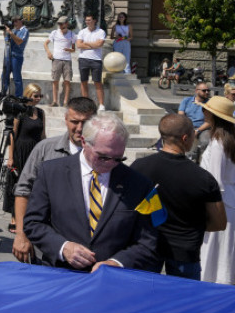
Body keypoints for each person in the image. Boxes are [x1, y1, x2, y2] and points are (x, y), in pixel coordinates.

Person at [23, 114, 158, 272]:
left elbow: (148, 241)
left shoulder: (140, 184)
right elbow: (33, 223)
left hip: (112, 278)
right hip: (61, 273)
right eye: (102, 157)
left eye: (118, 158)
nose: (110, 163)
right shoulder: (51, 172)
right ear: (84, 142)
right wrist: (63, 247)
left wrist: (117, 263)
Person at [130, 114, 225, 280]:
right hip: (185, 252)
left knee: (145, 295)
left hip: (146, 246)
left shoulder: (138, 167)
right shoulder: (203, 178)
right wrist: (193, 226)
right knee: (185, 297)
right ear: (185, 138)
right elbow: (219, 223)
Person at [11, 96, 97, 263]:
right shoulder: (45, 149)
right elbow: (23, 191)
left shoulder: (104, 154)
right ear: (65, 119)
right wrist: (21, 234)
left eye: (86, 122)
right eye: (74, 122)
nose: (80, 128)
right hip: (48, 248)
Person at [199, 96, 235, 284]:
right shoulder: (228, 140)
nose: (203, 112)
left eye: (205, 110)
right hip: (229, 200)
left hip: (220, 203)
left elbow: (215, 180)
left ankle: (214, 284)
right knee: (224, 249)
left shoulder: (218, 143)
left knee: (215, 248)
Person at [4, 83, 46, 233]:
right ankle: (14, 218)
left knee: (32, 185)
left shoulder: (40, 113)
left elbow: (43, 135)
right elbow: (12, 135)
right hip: (21, 151)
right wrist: (10, 157)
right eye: (36, 96)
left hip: (35, 151)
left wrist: (45, 152)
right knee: (17, 184)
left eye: (40, 96)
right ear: (28, 95)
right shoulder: (20, 112)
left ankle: (27, 215)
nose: (38, 98)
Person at [76, 14, 106, 111]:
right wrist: (93, 45)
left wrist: (86, 43)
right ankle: (85, 103)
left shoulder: (101, 32)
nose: (87, 22)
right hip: (83, 59)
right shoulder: (82, 31)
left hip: (96, 59)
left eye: (89, 20)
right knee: (83, 81)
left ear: (94, 21)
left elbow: (99, 44)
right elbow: (79, 45)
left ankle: (101, 104)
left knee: (97, 82)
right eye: (86, 20)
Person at [44, 16, 76, 107]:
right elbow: (45, 43)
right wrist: (48, 52)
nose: (60, 25)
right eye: (59, 24)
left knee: (67, 81)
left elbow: (73, 49)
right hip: (56, 59)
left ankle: (65, 102)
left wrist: (69, 50)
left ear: (66, 23)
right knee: (55, 80)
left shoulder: (72, 34)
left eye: (62, 24)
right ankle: (55, 101)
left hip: (67, 60)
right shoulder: (54, 33)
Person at [178, 81, 213, 160]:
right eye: (204, 90)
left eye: (208, 90)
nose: (207, 92)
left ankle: (201, 161)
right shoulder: (186, 100)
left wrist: (197, 130)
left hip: (203, 128)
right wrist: (188, 128)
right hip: (188, 127)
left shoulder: (210, 103)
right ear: (197, 91)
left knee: (205, 141)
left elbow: (210, 122)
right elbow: (181, 116)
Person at [1, 15, 29, 99]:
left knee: (16, 77)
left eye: (16, 21)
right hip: (8, 55)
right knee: (4, 75)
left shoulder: (24, 30)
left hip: (17, 56)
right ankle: (3, 93)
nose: (14, 23)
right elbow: (6, 41)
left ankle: (18, 96)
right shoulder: (13, 30)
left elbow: (19, 41)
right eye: (13, 21)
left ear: (21, 21)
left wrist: (10, 33)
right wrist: (5, 32)